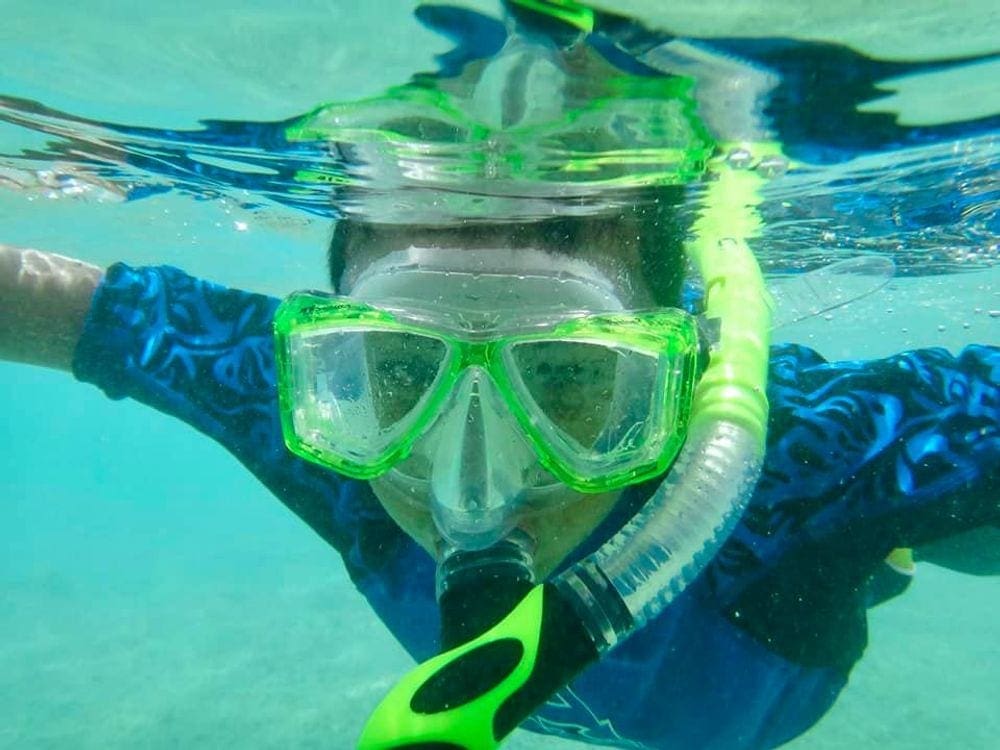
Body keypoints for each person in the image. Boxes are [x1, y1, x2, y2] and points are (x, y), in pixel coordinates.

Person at [1, 1, 997, 748]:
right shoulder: (323, 415)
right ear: (339, 361)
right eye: (399, 372)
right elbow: (60, 303)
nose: (466, 486)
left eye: (566, 380)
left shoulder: (804, 462)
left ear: (672, 371)